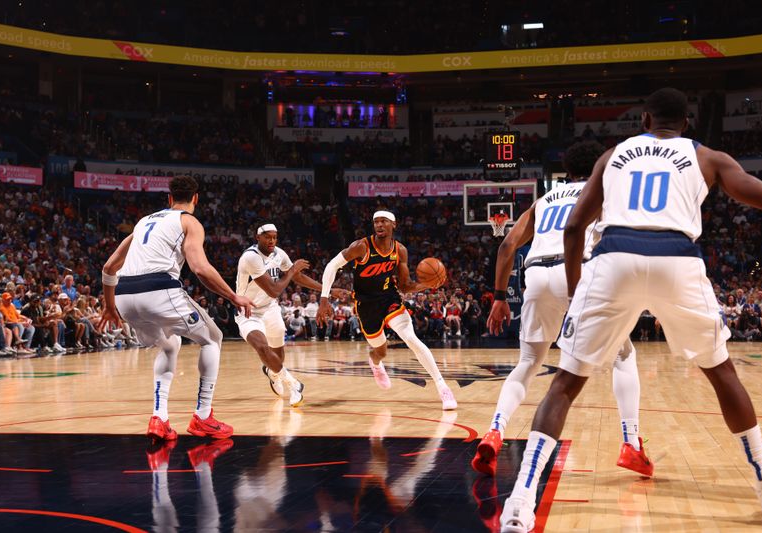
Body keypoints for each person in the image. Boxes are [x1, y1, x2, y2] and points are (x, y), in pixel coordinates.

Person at [500, 88, 762, 531]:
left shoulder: (613, 156)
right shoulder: (708, 157)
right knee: (722, 374)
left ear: (644, 120)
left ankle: (521, 502)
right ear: (686, 125)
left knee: (564, 383)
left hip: (615, 258)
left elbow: (575, 226)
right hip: (678, 257)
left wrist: (581, 290)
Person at [473, 141, 649, 480]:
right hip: (577, 271)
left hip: (536, 275)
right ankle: (631, 444)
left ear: (566, 171)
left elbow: (508, 245)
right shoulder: (603, 188)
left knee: (527, 363)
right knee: (623, 356)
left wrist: (498, 297)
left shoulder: (545, 200)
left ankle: (495, 431)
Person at [98, 175, 253, 442]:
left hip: (124, 295)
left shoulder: (143, 222)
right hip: (158, 289)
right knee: (213, 338)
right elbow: (200, 268)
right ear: (196, 198)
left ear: (168, 199)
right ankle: (203, 417)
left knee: (170, 344)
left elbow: (109, 267)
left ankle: (159, 418)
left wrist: (110, 306)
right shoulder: (188, 221)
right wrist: (233, 296)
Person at [317, 210, 457, 410]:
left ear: (394, 225)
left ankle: (442, 387)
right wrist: (324, 298)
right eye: (376, 222)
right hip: (366, 304)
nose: (379, 225)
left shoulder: (400, 251)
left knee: (411, 338)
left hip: (389, 298)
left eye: (384, 221)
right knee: (380, 351)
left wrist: (429, 285)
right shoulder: (361, 247)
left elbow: (406, 285)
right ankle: (375, 363)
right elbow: (331, 266)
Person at [235, 222, 346, 407]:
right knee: (262, 348)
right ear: (258, 237)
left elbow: (298, 278)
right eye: (267, 237)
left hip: (270, 308)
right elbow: (274, 290)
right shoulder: (251, 257)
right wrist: (293, 269)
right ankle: (294, 384)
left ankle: (273, 373)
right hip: (248, 310)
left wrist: (328, 289)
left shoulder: (279, 254)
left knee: (278, 353)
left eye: (274, 237)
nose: (271, 240)